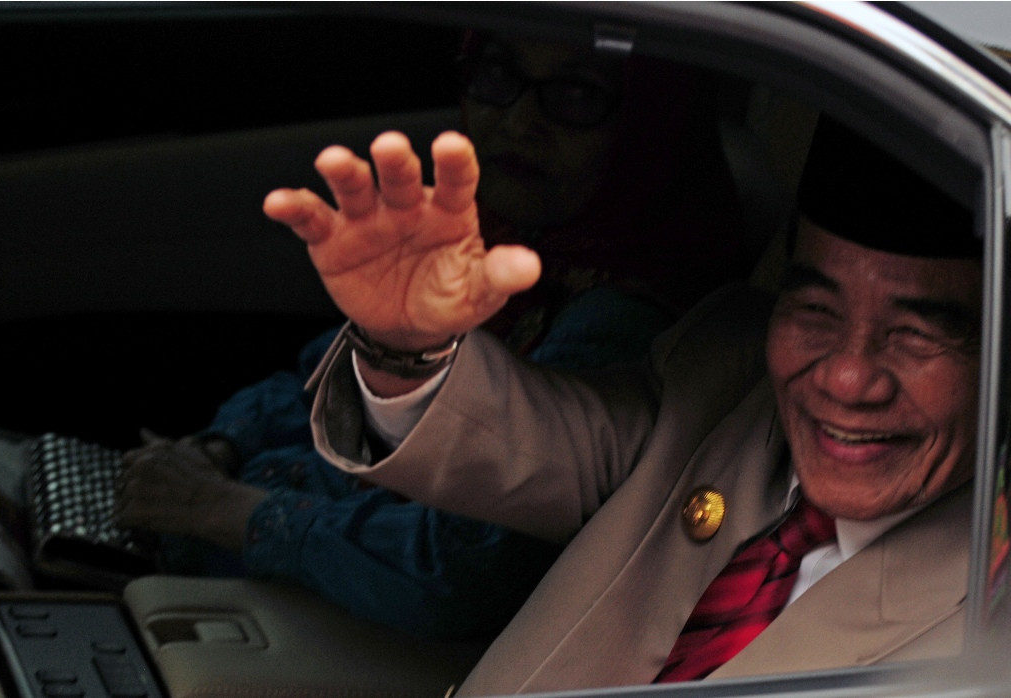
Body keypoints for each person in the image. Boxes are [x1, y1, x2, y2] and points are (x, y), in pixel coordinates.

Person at [261, 112, 982, 694]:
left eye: (918, 334)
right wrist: (405, 346)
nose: (848, 378)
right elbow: (529, 439)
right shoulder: (727, 377)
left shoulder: (984, 618)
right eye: (816, 311)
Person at [113, 34, 748, 640]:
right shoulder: (508, 241)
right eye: (498, 75)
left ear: (650, 128)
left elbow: (462, 571)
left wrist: (224, 511)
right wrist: (219, 449)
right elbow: (330, 378)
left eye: (577, 95)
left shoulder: (618, 323)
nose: (518, 121)